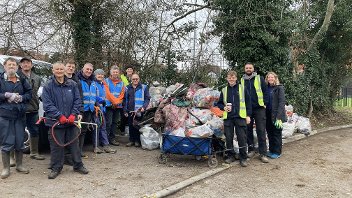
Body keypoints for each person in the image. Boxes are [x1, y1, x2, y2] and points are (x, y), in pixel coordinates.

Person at [42, 62, 88, 179]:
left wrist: (73, 114)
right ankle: (56, 168)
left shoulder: (72, 84)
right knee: (57, 146)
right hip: (56, 122)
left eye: (61, 69)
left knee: (74, 145)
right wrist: (59, 116)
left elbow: (78, 100)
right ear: (52, 71)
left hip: (71, 122)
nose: (59, 71)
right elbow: (47, 105)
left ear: (64, 70)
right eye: (56, 69)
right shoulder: (48, 86)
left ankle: (78, 165)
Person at [0, 57, 32, 179]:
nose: (12, 66)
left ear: (17, 67)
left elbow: (29, 93)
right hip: (5, 116)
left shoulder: (22, 79)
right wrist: (6, 95)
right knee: (6, 142)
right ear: (5, 66)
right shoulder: (1, 79)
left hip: (19, 116)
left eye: (14, 64)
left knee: (19, 141)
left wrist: (22, 98)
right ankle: (6, 168)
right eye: (9, 64)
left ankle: (19, 165)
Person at [217, 70, 252, 167]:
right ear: (227, 79)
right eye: (229, 78)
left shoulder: (242, 88)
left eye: (233, 77)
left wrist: (248, 115)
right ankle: (230, 156)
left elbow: (248, 103)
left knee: (242, 138)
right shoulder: (224, 90)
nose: (231, 79)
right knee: (228, 138)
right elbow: (219, 103)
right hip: (228, 118)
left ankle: (243, 158)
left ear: (236, 78)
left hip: (240, 117)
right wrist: (223, 107)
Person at [17, 57, 45, 161]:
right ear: (20, 65)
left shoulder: (37, 78)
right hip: (20, 109)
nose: (26, 64)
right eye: (23, 63)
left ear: (31, 65)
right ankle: (17, 155)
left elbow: (37, 92)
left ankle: (34, 152)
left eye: (28, 63)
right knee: (18, 132)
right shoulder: (16, 76)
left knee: (34, 130)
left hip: (33, 108)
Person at [241, 63, 269, 163]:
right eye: (247, 68)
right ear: (244, 69)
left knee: (261, 130)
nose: (248, 69)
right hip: (247, 109)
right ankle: (251, 149)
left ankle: (263, 153)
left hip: (259, 108)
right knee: (248, 130)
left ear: (253, 69)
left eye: (250, 68)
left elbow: (266, 91)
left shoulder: (259, 78)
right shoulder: (241, 80)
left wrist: (265, 103)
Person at [93, 69, 116, 154]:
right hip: (96, 109)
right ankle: (96, 146)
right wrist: (101, 100)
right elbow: (93, 95)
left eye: (102, 75)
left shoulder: (103, 85)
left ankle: (106, 145)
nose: (100, 76)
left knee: (103, 127)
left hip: (102, 109)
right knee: (97, 127)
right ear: (95, 75)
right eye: (98, 74)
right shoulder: (93, 84)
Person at [123, 73, 150, 147]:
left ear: (139, 79)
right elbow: (125, 99)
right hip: (130, 110)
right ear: (131, 80)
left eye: (136, 79)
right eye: (133, 79)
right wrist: (125, 110)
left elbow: (147, 99)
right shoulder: (127, 88)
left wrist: (144, 107)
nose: (135, 80)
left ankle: (137, 141)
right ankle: (131, 140)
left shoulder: (144, 87)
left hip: (139, 111)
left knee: (137, 126)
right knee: (131, 126)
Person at [77, 63, 97, 157]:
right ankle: (75, 151)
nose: (89, 71)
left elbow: (92, 95)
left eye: (90, 70)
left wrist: (97, 103)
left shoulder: (93, 81)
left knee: (84, 131)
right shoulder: (78, 79)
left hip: (89, 109)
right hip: (80, 110)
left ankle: (80, 150)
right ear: (83, 69)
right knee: (77, 131)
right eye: (87, 69)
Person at [265, 72, 286, 159]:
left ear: (275, 78)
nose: (270, 79)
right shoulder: (266, 88)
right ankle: (271, 150)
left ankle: (277, 152)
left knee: (276, 133)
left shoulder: (279, 88)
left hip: (277, 115)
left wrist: (279, 117)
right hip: (268, 114)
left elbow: (282, 103)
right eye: (269, 77)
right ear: (267, 79)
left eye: (272, 77)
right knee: (270, 133)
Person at [104, 66, 125, 146]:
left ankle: (112, 139)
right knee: (108, 123)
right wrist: (114, 102)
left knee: (114, 123)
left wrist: (116, 103)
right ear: (110, 72)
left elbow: (122, 95)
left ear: (118, 73)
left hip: (117, 106)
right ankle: (105, 140)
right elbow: (107, 94)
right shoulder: (106, 81)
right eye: (114, 72)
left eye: (117, 72)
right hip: (109, 106)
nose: (115, 73)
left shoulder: (122, 83)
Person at [119, 65, 134, 136]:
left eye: (131, 69)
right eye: (128, 69)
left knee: (130, 115)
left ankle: (128, 131)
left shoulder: (134, 78)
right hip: (123, 97)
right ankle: (122, 130)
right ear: (126, 70)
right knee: (123, 115)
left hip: (131, 98)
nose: (129, 70)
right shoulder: (122, 77)